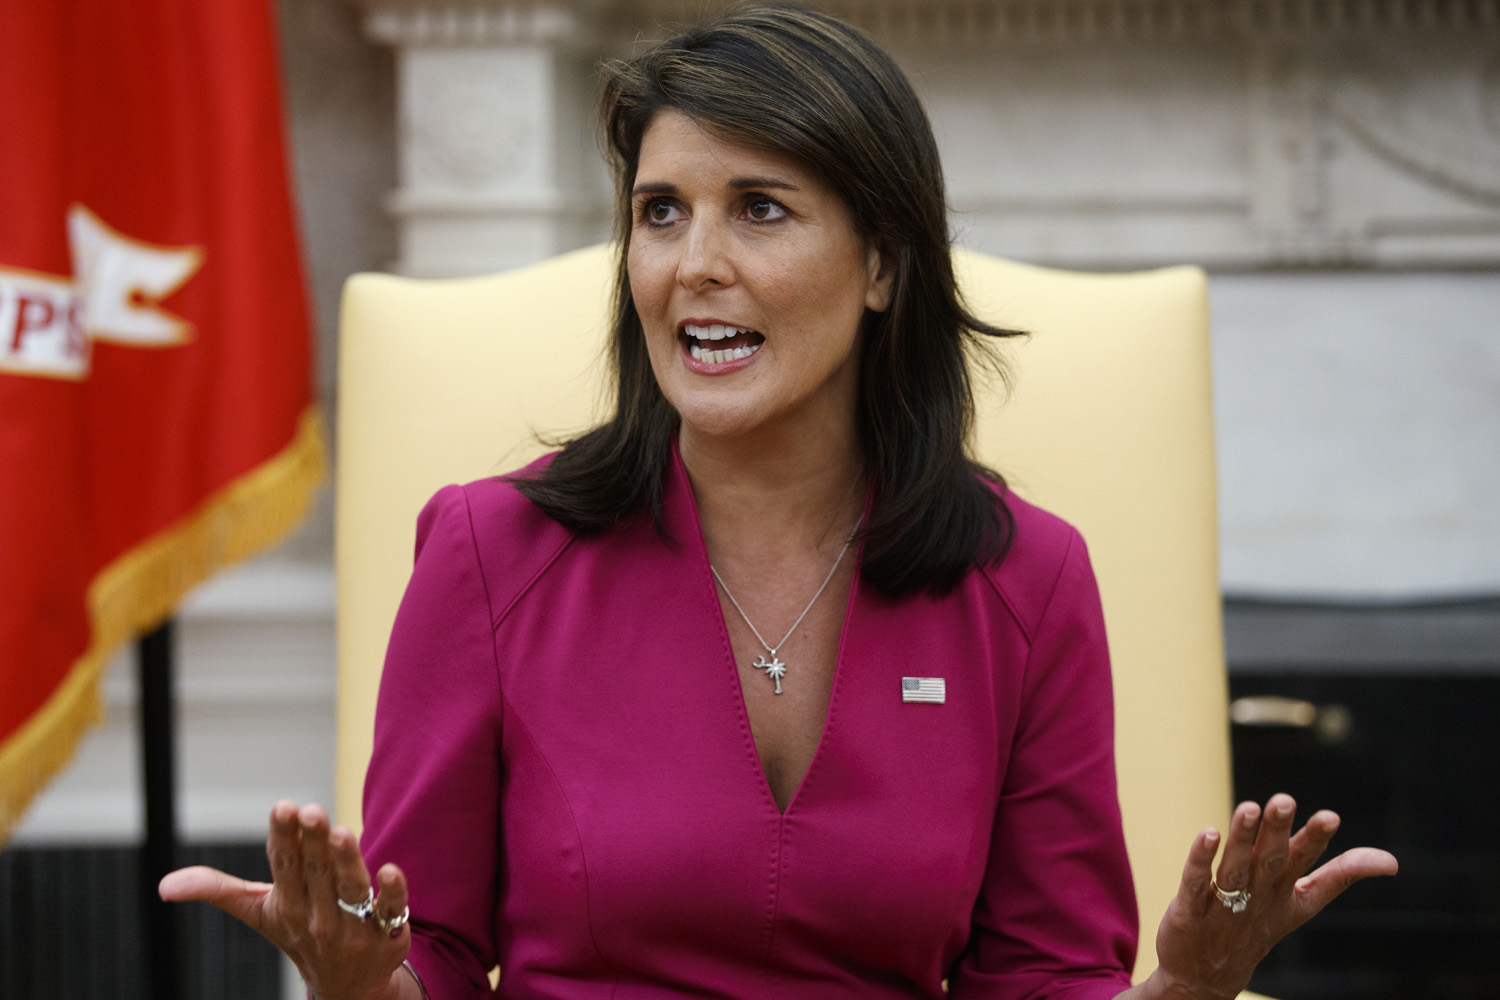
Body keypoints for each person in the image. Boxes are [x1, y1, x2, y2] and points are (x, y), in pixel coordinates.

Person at [159, 4, 1398, 998]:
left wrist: (1183, 988)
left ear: (881, 264)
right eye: (660, 213)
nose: (694, 263)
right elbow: (420, 953)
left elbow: (1042, 977)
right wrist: (353, 986)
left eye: (759, 209)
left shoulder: (1028, 580)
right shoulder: (492, 550)